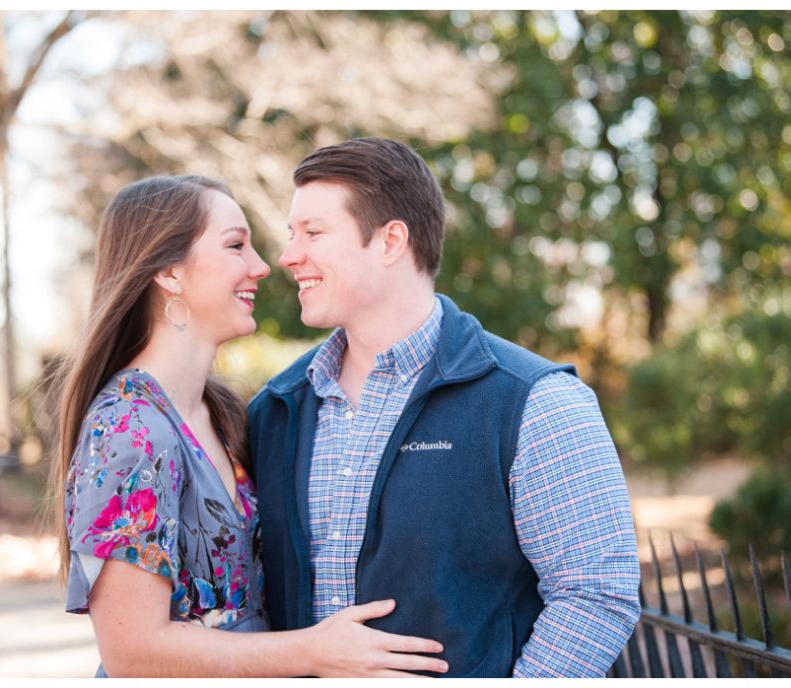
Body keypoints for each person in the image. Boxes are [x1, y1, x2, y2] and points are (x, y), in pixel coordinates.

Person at [248, 138, 641, 677]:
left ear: (390, 241)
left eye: (313, 233)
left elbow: (596, 594)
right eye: (292, 235)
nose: (288, 256)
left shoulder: (532, 401)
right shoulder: (275, 410)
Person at [53, 174, 449, 678]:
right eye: (236, 245)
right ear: (171, 272)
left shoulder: (230, 416)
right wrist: (314, 651)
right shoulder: (127, 430)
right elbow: (132, 653)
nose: (263, 267)